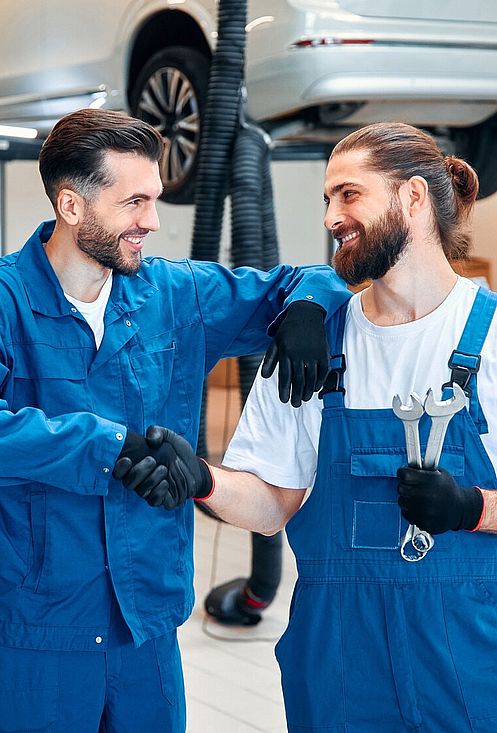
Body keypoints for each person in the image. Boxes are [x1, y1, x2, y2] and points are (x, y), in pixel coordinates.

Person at [0, 108, 349, 733]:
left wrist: (309, 304)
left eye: (155, 200)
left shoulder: (174, 293)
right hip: (33, 630)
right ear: (72, 206)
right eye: (134, 202)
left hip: (144, 624)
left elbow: (303, 280)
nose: (151, 221)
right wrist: (103, 447)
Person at [118, 122, 497, 732]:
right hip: (339, 660)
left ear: (414, 199)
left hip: (471, 655)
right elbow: (273, 504)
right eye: (327, 199)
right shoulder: (314, 348)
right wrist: (202, 481)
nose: (330, 216)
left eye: (349, 194)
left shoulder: (491, 338)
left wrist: (472, 508)